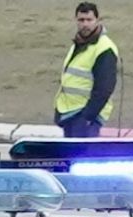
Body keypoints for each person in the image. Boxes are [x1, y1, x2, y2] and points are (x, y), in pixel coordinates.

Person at [53, 3, 119, 138]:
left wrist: (88, 116)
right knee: (71, 157)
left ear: (97, 20)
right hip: (71, 113)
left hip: (86, 117)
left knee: (81, 156)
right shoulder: (79, 43)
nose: (85, 24)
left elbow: (104, 88)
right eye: (81, 20)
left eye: (89, 20)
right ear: (76, 21)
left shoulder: (104, 48)